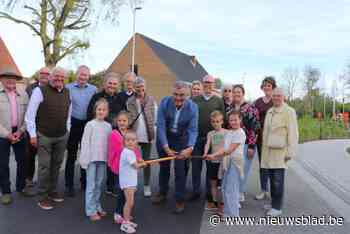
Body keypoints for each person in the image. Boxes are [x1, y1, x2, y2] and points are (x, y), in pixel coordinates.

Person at [25, 67, 72, 210]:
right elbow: (30, 115)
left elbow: (69, 113)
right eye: (56, 76)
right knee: (44, 167)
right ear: (51, 77)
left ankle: (52, 191)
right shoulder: (40, 91)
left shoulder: (67, 92)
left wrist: (68, 130)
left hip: (61, 135)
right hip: (44, 135)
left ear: (65, 79)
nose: (59, 79)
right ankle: (42, 196)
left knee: (56, 165)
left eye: (62, 77)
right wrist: (32, 135)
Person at [152, 81, 198, 214]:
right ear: (172, 93)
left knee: (180, 171)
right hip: (165, 137)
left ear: (188, 95)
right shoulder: (164, 102)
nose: (178, 98)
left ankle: (179, 199)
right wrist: (165, 146)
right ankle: (162, 192)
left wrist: (190, 147)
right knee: (164, 167)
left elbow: (193, 130)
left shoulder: (193, 107)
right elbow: (160, 125)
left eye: (182, 95)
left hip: (181, 140)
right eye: (175, 94)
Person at [87, 72, 128, 196]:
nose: (112, 86)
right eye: (110, 83)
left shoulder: (120, 98)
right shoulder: (97, 97)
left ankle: (111, 186)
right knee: (97, 160)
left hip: (115, 134)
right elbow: (90, 113)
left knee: (114, 159)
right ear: (105, 84)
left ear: (118, 85)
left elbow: (124, 114)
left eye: (115, 84)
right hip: (99, 134)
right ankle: (90, 185)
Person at [261, 88, 298, 217]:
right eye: (274, 95)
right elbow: (266, 133)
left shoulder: (289, 111)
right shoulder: (270, 111)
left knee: (277, 180)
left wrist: (290, 152)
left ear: (283, 97)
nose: (276, 97)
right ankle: (273, 203)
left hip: (280, 152)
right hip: (268, 151)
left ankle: (277, 207)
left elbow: (293, 133)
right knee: (272, 179)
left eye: (279, 95)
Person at [191, 75, 225, 209]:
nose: (208, 85)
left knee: (211, 168)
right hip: (197, 138)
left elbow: (223, 120)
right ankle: (195, 191)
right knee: (196, 166)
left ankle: (209, 195)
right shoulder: (195, 100)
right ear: (202, 84)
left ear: (213, 84)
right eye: (205, 83)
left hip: (214, 139)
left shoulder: (218, 100)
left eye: (210, 83)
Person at [0, 68, 33, 205]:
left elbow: (28, 115)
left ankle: (21, 187)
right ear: (1, 79)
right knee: (2, 164)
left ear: (16, 79)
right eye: (6, 77)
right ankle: (6, 192)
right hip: (2, 134)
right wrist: (7, 134)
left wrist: (21, 131)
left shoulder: (24, 94)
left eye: (12, 77)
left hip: (20, 132)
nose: (10, 80)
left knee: (23, 161)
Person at [205, 110, 246, 217]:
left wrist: (214, 155)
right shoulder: (230, 132)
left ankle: (231, 214)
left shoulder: (240, 133)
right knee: (224, 187)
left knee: (230, 189)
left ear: (240, 120)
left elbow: (228, 150)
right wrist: (212, 154)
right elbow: (224, 148)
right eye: (231, 120)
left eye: (235, 120)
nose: (233, 122)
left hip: (235, 162)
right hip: (227, 161)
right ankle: (229, 209)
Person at [65, 65, 97, 197]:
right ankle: (69, 185)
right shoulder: (68, 88)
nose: (83, 77)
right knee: (71, 156)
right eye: (81, 74)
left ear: (88, 77)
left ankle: (84, 183)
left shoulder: (93, 89)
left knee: (86, 155)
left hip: (88, 125)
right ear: (76, 75)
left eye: (85, 75)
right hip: (73, 124)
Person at [79, 98, 112, 221]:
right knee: (91, 185)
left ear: (107, 112)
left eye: (103, 110)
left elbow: (109, 144)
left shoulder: (108, 126)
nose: (101, 111)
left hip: (102, 159)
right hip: (91, 160)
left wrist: (109, 159)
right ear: (95, 110)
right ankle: (90, 210)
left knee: (99, 184)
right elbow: (85, 142)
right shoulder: (90, 125)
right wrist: (84, 160)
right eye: (99, 109)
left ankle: (97, 206)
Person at [108, 111, 142, 224]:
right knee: (121, 191)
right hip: (120, 167)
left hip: (129, 169)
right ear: (116, 122)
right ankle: (118, 213)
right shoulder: (114, 133)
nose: (122, 123)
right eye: (119, 121)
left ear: (128, 122)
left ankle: (125, 213)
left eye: (124, 121)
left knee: (128, 192)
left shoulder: (130, 134)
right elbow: (116, 149)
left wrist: (139, 158)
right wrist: (134, 161)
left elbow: (135, 148)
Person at [127, 76, 157, 197]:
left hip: (147, 134)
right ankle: (131, 185)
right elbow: (128, 116)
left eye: (142, 86)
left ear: (145, 87)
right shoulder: (130, 101)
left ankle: (146, 185)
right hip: (133, 135)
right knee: (131, 161)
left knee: (146, 161)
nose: (140, 88)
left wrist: (152, 130)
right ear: (134, 87)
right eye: (137, 86)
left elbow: (155, 116)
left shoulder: (151, 100)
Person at [232, 84, 260, 203]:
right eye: (235, 92)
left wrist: (252, 146)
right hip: (233, 144)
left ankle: (240, 192)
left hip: (246, 144)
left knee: (243, 169)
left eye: (239, 92)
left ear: (243, 93)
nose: (236, 94)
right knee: (234, 169)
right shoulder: (230, 108)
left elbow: (255, 128)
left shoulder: (250, 108)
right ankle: (234, 190)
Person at [25, 67, 50, 188]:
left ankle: (43, 181)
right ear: (38, 75)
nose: (44, 75)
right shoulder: (30, 88)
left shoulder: (52, 88)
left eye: (47, 73)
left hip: (46, 128)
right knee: (30, 155)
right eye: (42, 73)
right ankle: (29, 179)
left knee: (45, 157)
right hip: (32, 127)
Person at [119, 131, 147, 233]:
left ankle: (127, 220)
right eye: (128, 140)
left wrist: (140, 161)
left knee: (130, 202)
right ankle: (125, 223)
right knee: (129, 202)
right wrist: (143, 164)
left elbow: (135, 162)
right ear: (124, 142)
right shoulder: (128, 152)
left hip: (130, 181)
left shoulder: (130, 152)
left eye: (133, 140)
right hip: (128, 182)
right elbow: (135, 166)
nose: (130, 142)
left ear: (136, 142)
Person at [253, 76, 276, 200]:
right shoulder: (258, 102)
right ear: (262, 87)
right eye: (265, 85)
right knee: (263, 165)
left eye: (269, 85)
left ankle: (274, 190)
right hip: (260, 137)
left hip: (273, 138)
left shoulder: (276, 100)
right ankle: (263, 189)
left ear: (273, 87)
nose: (267, 87)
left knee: (273, 164)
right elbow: (254, 118)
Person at [202, 111, 227, 210]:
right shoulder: (210, 134)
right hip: (213, 162)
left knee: (222, 184)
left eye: (217, 121)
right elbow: (207, 144)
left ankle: (223, 203)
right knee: (213, 183)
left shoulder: (226, 132)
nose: (215, 123)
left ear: (222, 121)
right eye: (213, 122)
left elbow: (226, 147)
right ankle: (214, 202)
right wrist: (205, 153)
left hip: (222, 162)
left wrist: (215, 155)